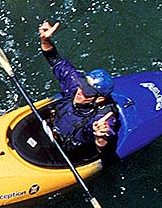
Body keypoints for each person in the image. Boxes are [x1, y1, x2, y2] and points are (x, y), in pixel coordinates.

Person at [38, 20, 119, 159]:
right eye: (82, 86)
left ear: (99, 99)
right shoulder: (76, 87)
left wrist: (100, 137)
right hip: (51, 130)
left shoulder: (102, 117)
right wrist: (45, 40)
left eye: (87, 92)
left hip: (67, 153)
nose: (80, 92)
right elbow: (56, 61)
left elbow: (106, 150)